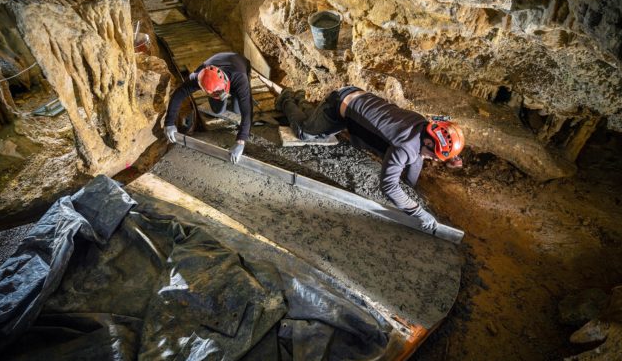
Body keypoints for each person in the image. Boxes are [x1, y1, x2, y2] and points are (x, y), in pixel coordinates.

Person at [275, 86, 464, 231]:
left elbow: (417, 157)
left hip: (357, 100)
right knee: (305, 133)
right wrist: (419, 213)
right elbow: (389, 186)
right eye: (434, 155)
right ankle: (286, 98)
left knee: (318, 127)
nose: (433, 159)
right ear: (430, 143)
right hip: (338, 105)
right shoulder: (405, 147)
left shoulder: (422, 126)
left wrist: (410, 186)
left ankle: (301, 101)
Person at [165, 52, 252, 164]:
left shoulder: (240, 77)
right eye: (215, 93)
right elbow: (178, 94)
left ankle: (233, 95)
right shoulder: (198, 78)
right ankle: (220, 97)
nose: (219, 94)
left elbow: (247, 112)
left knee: (238, 109)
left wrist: (241, 141)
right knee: (218, 110)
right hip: (217, 72)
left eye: (220, 92)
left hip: (239, 64)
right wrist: (169, 123)